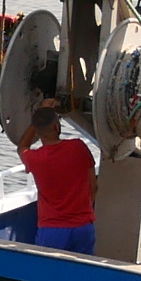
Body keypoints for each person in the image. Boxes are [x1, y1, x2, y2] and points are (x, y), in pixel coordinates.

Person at [17, 103, 98, 254]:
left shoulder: (35, 158)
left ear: (37, 132)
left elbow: (22, 146)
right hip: (83, 228)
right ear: (57, 127)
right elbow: (94, 187)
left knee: (47, 273)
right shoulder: (78, 148)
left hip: (52, 230)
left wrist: (37, 120)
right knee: (81, 273)